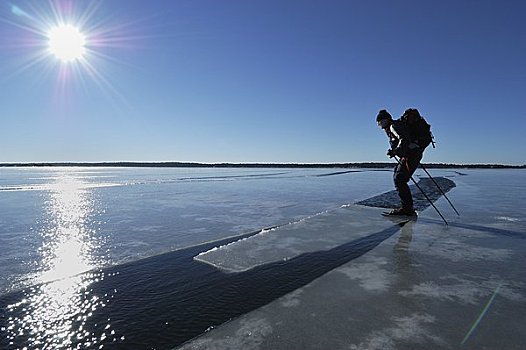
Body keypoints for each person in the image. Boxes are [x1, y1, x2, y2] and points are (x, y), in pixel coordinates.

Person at [376, 109, 423, 216]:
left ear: (385, 120)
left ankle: (407, 209)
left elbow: (404, 139)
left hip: (411, 156)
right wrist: (395, 151)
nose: (379, 125)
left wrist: (396, 151)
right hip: (411, 155)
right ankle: (407, 208)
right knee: (398, 176)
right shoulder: (394, 127)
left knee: (400, 179)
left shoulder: (393, 126)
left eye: (379, 122)